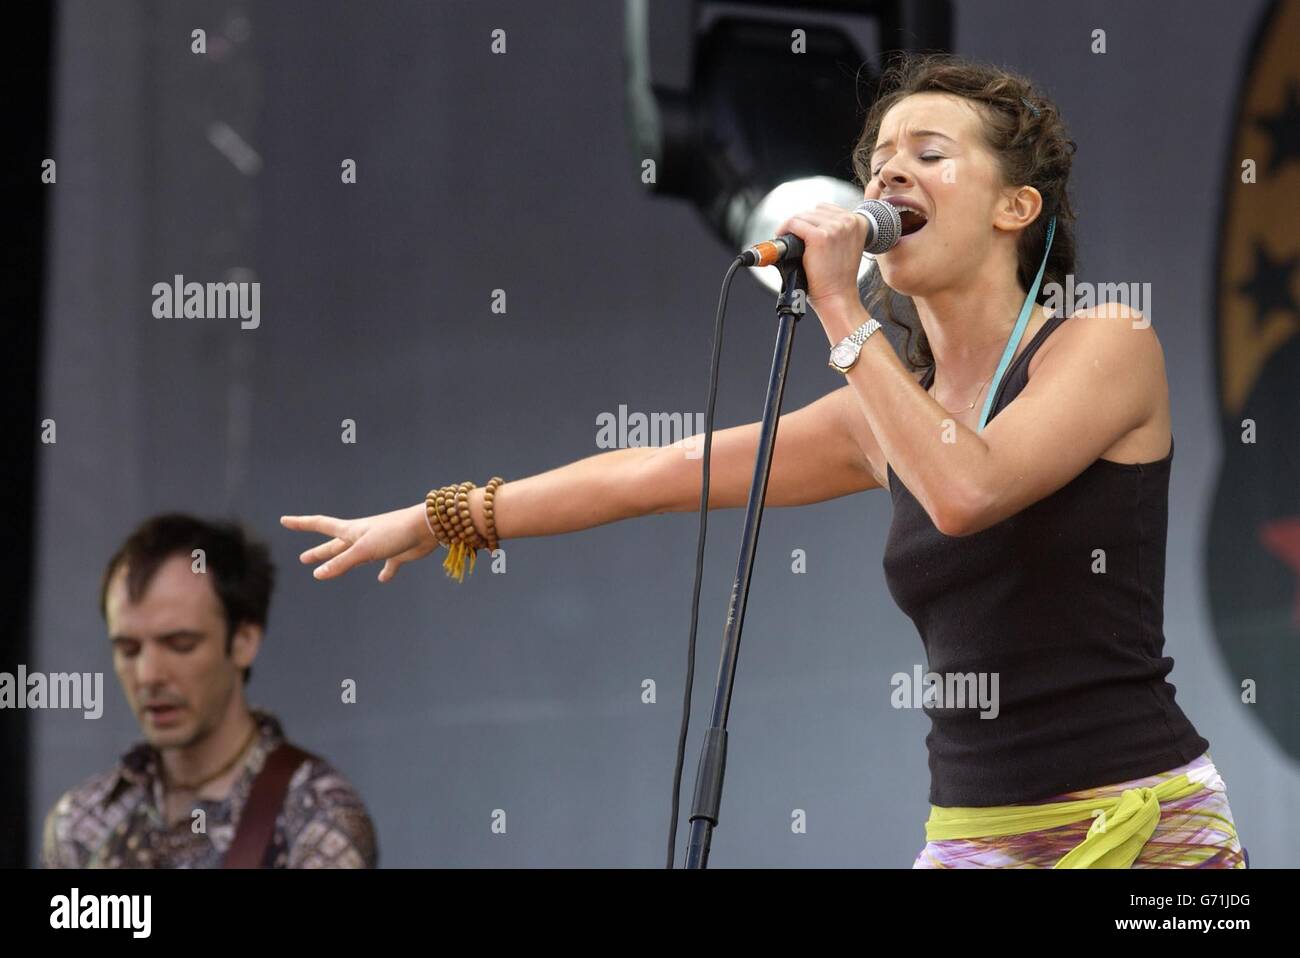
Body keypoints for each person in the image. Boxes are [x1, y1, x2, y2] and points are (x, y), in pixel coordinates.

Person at [281, 53, 1245, 869]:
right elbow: (655, 472)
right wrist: (448, 516)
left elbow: (969, 488)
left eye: (929, 154)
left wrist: (838, 308)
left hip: (1151, 826)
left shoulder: (1104, 345)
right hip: (975, 836)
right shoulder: (882, 411)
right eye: (878, 160)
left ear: (1016, 207)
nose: (887, 176)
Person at [43, 514, 378, 868]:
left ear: (244, 641)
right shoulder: (79, 821)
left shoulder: (317, 815)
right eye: (128, 649)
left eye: (180, 644)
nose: (148, 674)